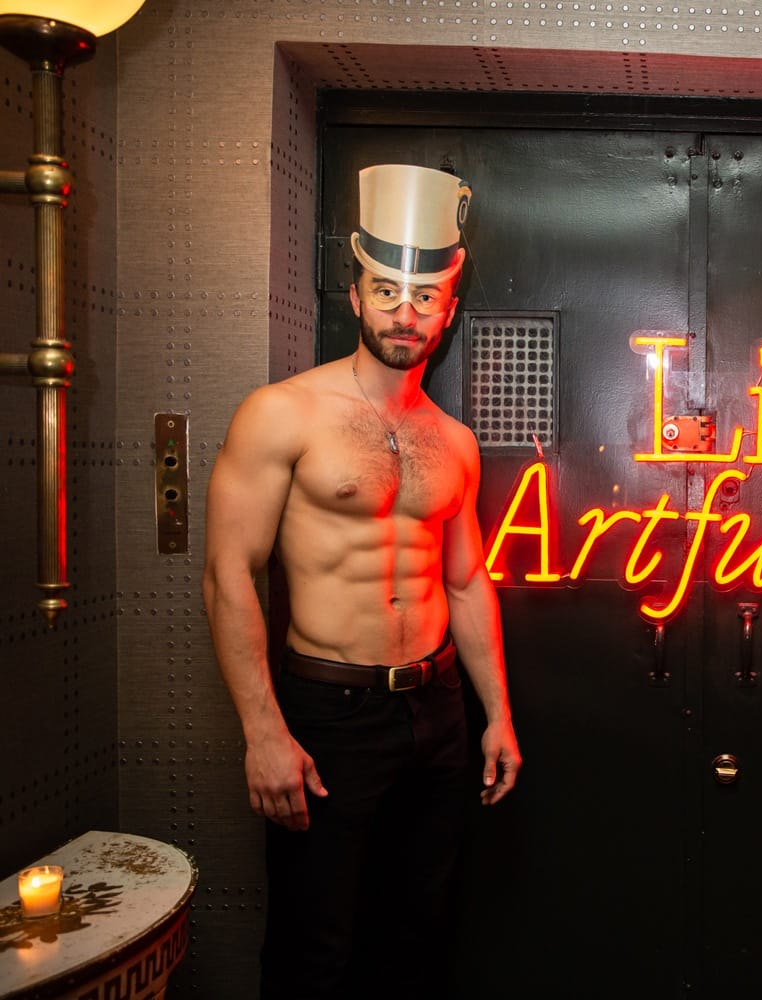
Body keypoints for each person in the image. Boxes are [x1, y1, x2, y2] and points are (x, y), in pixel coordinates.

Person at [203, 163, 521, 998]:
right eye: (386, 291)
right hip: (330, 712)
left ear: (448, 311)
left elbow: (464, 583)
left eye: (423, 298)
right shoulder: (283, 413)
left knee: (418, 935)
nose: (404, 312)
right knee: (318, 946)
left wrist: (497, 717)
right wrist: (262, 731)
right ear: (355, 296)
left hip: (438, 709)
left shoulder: (454, 442)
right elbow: (229, 572)